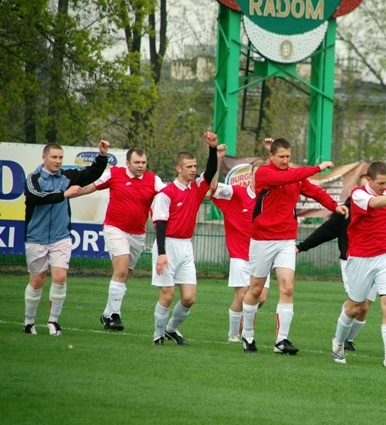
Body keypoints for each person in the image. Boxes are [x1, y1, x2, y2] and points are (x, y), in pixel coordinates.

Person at [241, 138, 348, 354]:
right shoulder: (263, 173)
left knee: (288, 287)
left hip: (286, 240)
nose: (285, 160)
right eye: (281, 156)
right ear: (271, 157)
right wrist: (318, 168)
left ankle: (281, 341)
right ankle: (248, 334)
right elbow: (291, 176)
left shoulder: (294, 176)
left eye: (288, 157)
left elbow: (315, 191)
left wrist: (334, 206)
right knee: (256, 289)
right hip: (262, 240)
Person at [296, 173, 386, 352]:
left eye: (384, 184)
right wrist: (301, 247)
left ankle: (357, 343)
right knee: (356, 307)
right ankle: (339, 340)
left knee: (372, 307)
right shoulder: (347, 209)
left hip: (382, 260)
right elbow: (325, 231)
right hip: (354, 261)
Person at [331, 162, 386, 368]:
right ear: (369, 180)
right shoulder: (358, 194)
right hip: (360, 258)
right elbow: (375, 204)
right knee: (355, 308)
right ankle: (337, 343)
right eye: (381, 183)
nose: (384, 186)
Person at [23, 140, 110, 335]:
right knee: (37, 281)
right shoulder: (33, 178)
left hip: (61, 236)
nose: (58, 161)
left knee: (60, 277)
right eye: (54, 157)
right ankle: (29, 321)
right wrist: (64, 194)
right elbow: (37, 196)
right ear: (44, 157)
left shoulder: (67, 177)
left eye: (61, 157)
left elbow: (91, 174)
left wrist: (102, 156)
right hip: (36, 237)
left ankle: (53, 321)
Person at [78, 148, 165, 331]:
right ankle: (115, 317)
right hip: (115, 228)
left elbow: (168, 194)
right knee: (121, 269)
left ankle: (107, 314)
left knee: (125, 274)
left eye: (143, 162)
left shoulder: (153, 179)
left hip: (138, 233)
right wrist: (71, 193)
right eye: (137, 162)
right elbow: (93, 185)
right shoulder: (114, 173)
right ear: (128, 163)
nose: (141, 166)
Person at [150, 131, 218, 345]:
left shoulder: (197, 187)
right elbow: (160, 224)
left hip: (186, 246)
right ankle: (158, 335)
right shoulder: (166, 193)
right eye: (188, 167)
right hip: (167, 246)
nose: (193, 170)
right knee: (167, 295)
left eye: (195, 167)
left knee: (189, 297)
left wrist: (213, 148)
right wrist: (161, 254)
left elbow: (211, 171)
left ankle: (171, 329)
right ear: (178, 168)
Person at [209, 144, 270, 342]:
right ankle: (235, 334)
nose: (259, 179)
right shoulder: (237, 193)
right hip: (240, 255)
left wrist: (271, 153)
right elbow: (212, 187)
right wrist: (218, 158)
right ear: (250, 176)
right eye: (256, 175)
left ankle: (247, 328)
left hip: (263, 255)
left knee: (260, 298)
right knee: (242, 296)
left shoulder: (271, 197)